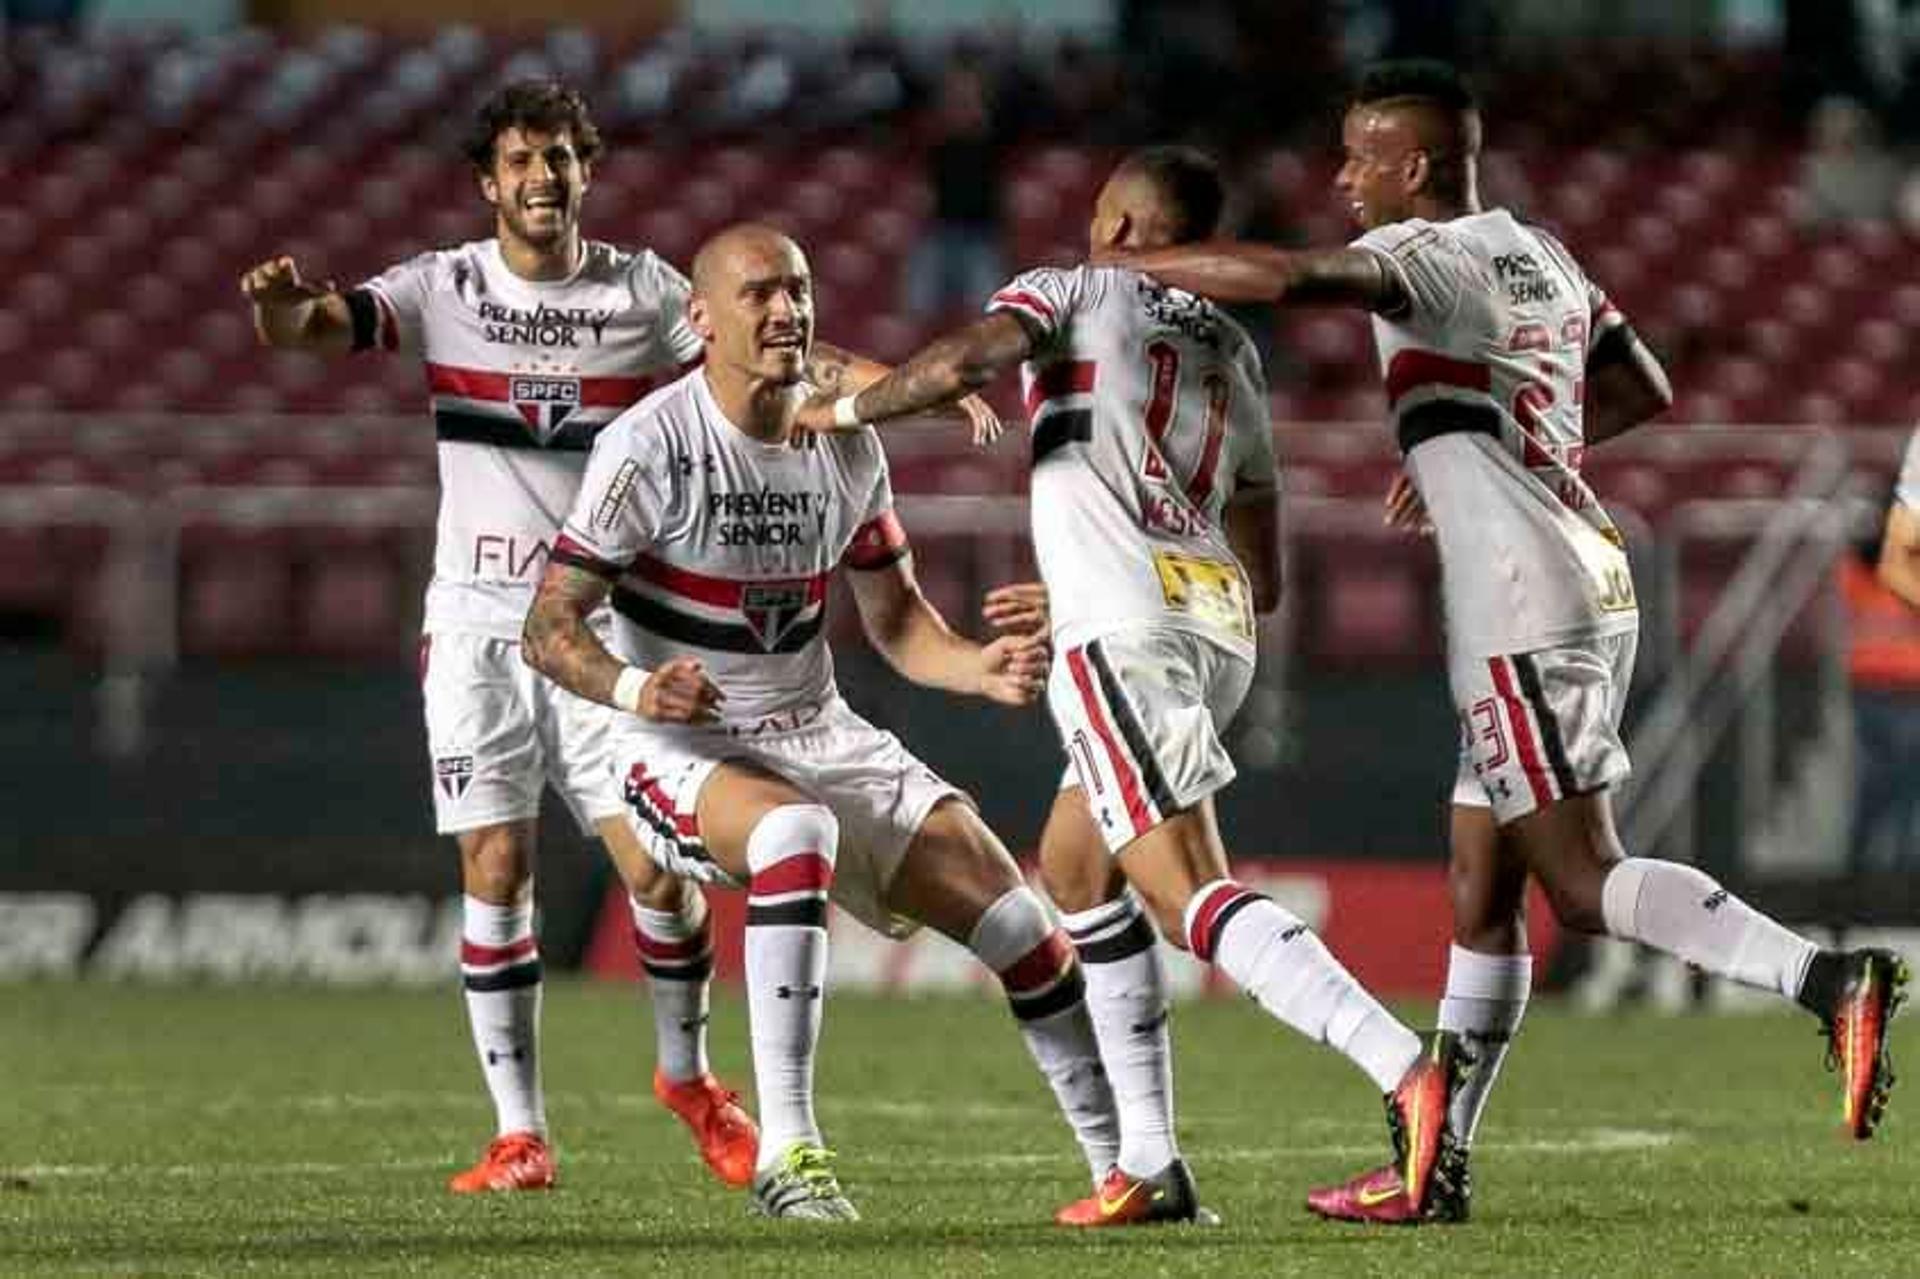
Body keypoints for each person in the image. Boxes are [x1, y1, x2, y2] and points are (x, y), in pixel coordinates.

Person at [1100, 60, 1910, 1223]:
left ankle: (1828, 980)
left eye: (1360, 158)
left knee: (1577, 879)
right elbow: (1643, 383)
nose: (1341, 177)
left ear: (1414, 167)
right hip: (1583, 566)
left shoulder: (1427, 258)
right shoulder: (1542, 251)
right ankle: (1438, 1165)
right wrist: (1498, 453)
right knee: (1483, 887)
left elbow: (1288, 277)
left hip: (1523, 600)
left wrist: (1121, 269)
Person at [798, 145, 1469, 1225]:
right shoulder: (1236, 357)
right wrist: (1096, 588)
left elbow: (955, 363)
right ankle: (1151, 1165)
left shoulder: (1069, 291)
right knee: (1075, 869)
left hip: (1128, 633)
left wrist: (835, 415)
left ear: (1117, 225)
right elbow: (1268, 573)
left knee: (1184, 891)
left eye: (1101, 214)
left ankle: (1407, 1071)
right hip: (1214, 631)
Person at [522, 223, 1126, 1222]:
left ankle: (1127, 1168)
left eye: (797, 289)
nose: (786, 310)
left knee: (1023, 924)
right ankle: (790, 1154)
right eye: (758, 292)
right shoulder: (650, 446)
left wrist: (974, 667)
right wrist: (638, 692)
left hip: (815, 725)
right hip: (673, 743)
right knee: (795, 834)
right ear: (700, 320)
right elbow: (547, 626)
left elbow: (897, 623)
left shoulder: (846, 443)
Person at [238, 81, 763, 1194]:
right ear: (490, 181)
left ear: (589, 170)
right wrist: (280, 307)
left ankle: (689, 1077)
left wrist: (858, 395)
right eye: (524, 159)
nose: (544, 177)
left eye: (564, 157)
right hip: (477, 625)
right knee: (495, 864)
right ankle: (519, 1132)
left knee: (660, 870)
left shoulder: (645, 289)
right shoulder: (444, 284)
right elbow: (318, 328)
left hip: (601, 623)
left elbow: (751, 361)